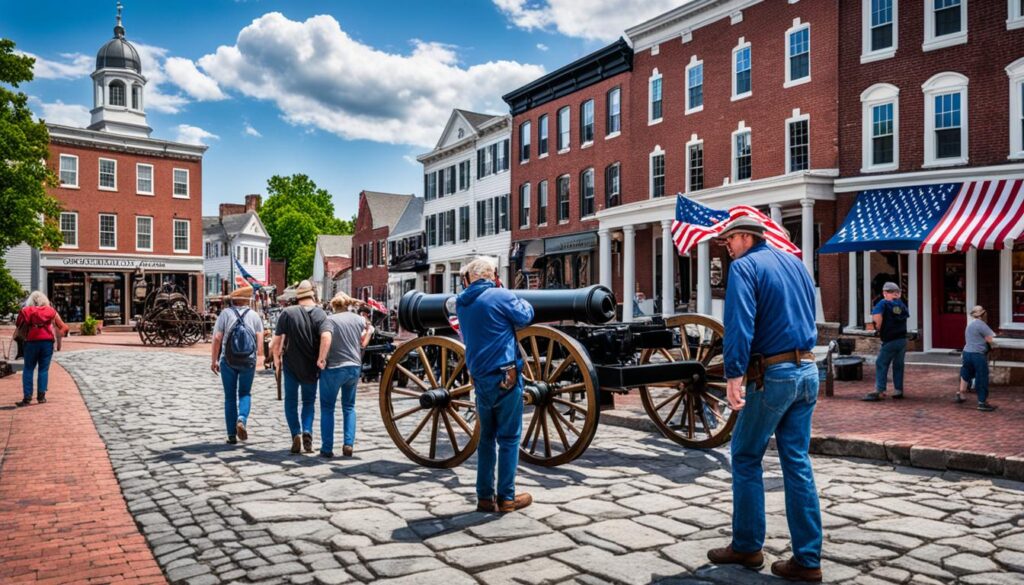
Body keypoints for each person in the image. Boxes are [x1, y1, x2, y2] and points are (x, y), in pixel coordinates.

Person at [706, 217, 823, 582]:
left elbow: (740, 323)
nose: (726, 245)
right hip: (807, 369)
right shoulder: (796, 264)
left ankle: (746, 545)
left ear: (746, 237)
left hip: (772, 374)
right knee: (797, 462)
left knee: (743, 454)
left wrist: (733, 375)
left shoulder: (744, 267)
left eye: (729, 240)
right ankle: (808, 559)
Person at [455, 257, 534, 513]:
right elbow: (525, 316)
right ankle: (507, 497)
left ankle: (484, 497)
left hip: (480, 378)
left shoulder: (461, 301)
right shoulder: (499, 295)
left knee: (486, 438)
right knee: (509, 439)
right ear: (491, 275)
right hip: (506, 376)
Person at [270, 280, 327, 454]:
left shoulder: (287, 313)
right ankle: (307, 430)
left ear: (298, 296)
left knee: (291, 401)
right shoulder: (320, 314)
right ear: (312, 294)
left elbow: (276, 341)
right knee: (309, 402)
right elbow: (326, 336)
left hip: (291, 364)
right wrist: (322, 359)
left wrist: (276, 360)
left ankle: (295, 433)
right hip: (310, 365)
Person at [316, 292, 372, 458]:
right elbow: (366, 336)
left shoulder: (330, 320)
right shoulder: (359, 319)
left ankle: (327, 448)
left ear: (333, 305)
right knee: (349, 407)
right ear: (347, 304)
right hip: (354, 366)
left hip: (334, 367)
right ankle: (348, 444)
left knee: (327, 408)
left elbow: (326, 338)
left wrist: (321, 359)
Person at [210, 286, 264, 444]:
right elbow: (259, 337)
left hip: (228, 360)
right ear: (247, 300)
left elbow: (217, 338)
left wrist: (214, 360)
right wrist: (259, 356)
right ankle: (242, 418)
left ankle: (231, 435)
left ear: (234, 300)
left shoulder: (225, 314)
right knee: (245, 393)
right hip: (248, 360)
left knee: (229, 397)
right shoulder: (254, 316)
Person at [15, 291, 69, 407]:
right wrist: (59, 339)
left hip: (31, 342)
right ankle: (41, 396)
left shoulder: (26, 310)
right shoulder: (51, 311)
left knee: (28, 368)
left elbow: (18, 324)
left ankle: (27, 397)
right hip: (47, 342)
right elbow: (63, 327)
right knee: (43, 370)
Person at [863, 282, 909, 402]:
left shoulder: (883, 303)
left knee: (881, 363)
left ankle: (880, 390)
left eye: (885, 292)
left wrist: (878, 328)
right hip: (902, 339)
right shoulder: (901, 305)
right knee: (898, 365)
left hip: (890, 339)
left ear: (885, 293)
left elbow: (877, 317)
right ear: (897, 293)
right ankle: (898, 390)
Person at [956, 306, 998, 412]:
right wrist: (994, 346)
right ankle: (982, 402)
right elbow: (991, 339)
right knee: (981, 377)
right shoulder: (981, 325)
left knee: (965, 373)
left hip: (966, 353)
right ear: (982, 315)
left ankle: (961, 394)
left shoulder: (970, 325)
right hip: (977, 355)